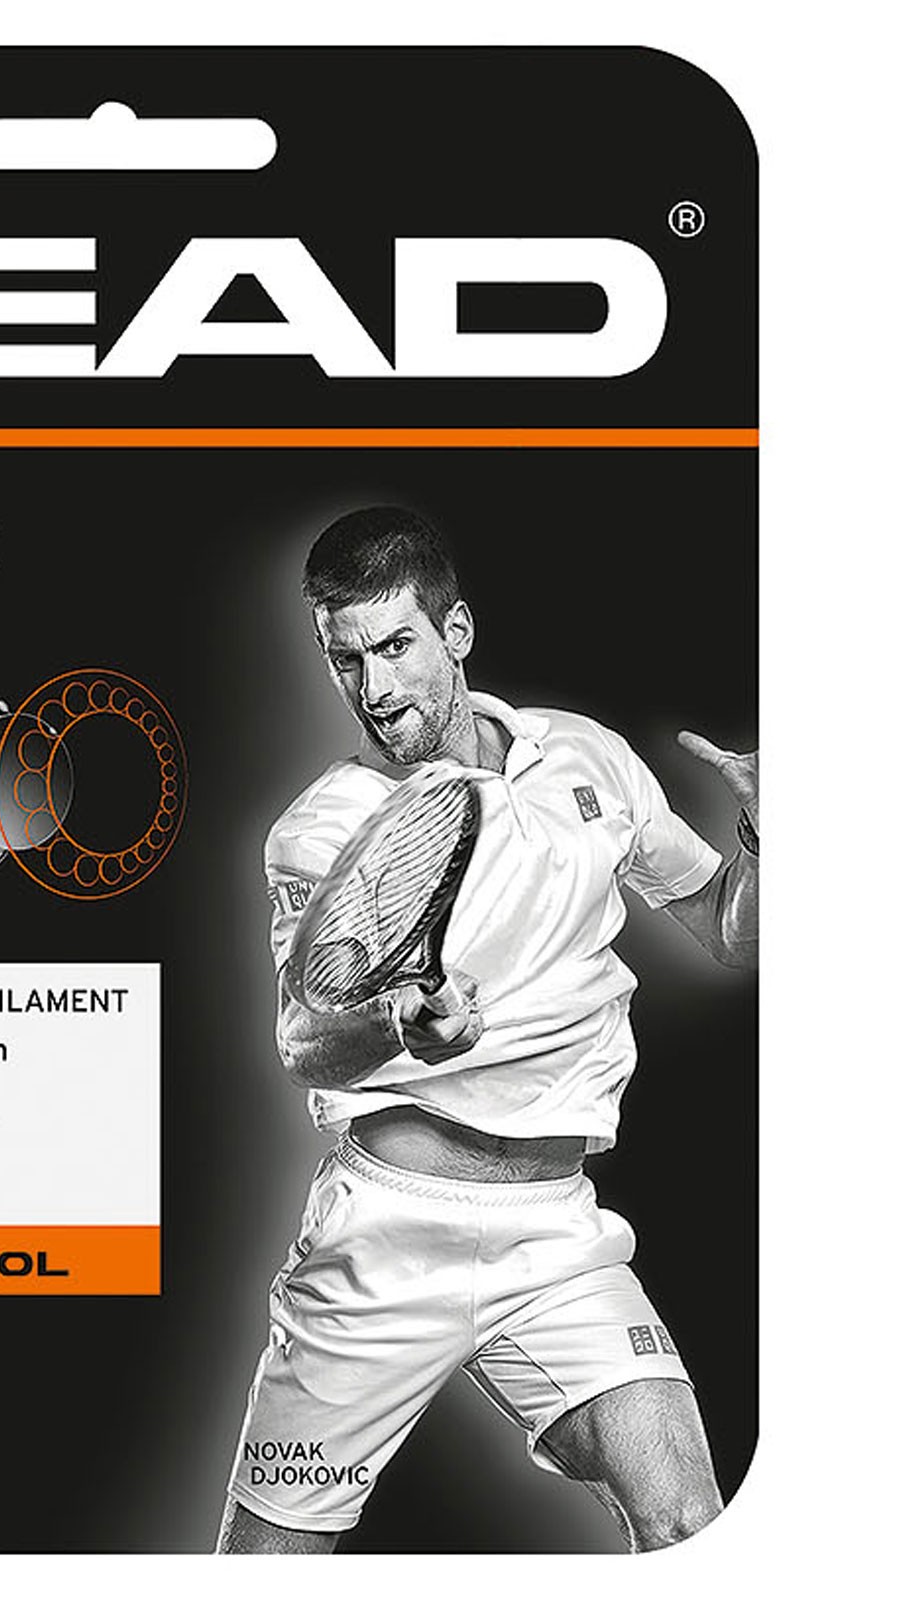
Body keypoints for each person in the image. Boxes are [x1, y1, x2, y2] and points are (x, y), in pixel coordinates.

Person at [218, 506, 757, 1555]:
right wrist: (398, 1024)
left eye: (394, 647)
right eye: (344, 659)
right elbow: (303, 1042)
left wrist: (767, 835)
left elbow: (730, 928)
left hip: (555, 1235)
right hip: (386, 1243)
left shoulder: (584, 757)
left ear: (455, 631)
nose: (373, 688)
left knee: (688, 1525)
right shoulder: (323, 830)